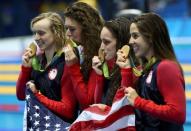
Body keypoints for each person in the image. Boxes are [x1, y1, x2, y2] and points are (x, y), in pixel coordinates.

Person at [117, 13, 186, 130]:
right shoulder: (146, 68)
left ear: (150, 37)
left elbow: (178, 114)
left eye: (135, 36)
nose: (130, 41)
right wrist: (126, 71)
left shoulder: (166, 67)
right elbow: (127, 103)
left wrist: (139, 102)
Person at [16, 12, 78, 123]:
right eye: (34, 33)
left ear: (56, 33)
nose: (36, 38)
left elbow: (68, 110)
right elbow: (21, 95)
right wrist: (25, 69)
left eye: (41, 33)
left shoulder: (67, 61)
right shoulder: (37, 60)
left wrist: (37, 95)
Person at [63, 2, 104, 110]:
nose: (67, 34)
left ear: (87, 29)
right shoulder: (81, 50)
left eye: (72, 29)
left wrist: (72, 66)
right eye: (66, 28)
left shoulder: (99, 53)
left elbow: (87, 103)